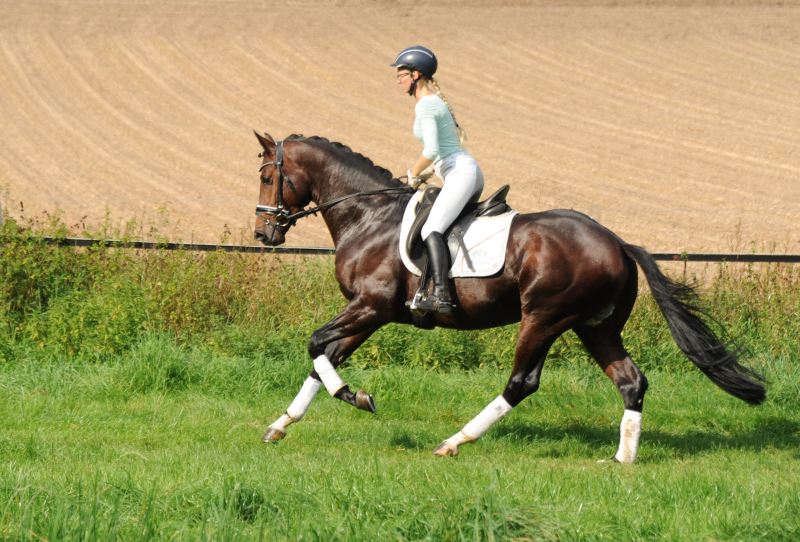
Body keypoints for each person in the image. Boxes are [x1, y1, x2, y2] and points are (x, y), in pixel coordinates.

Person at [391, 46, 485, 315]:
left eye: (402, 75)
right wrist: (429, 172)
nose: (398, 80)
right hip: (462, 169)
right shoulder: (433, 101)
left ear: (416, 75)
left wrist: (413, 172)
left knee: (430, 229)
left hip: (460, 173)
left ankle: (441, 296)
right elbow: (444, 150)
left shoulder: (426, 104)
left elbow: (431, 149)